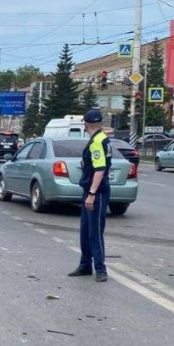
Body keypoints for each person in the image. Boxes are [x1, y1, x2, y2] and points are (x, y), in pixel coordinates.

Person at [68, 109, 112, 282]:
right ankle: (85, 265)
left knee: (95, 231)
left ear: (86, 124)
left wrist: (92, 194)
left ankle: (100, 269)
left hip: (97, 192)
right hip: (91, 190)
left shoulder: (97, 142)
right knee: (85, 230)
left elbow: (100, 169)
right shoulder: (100, 138)